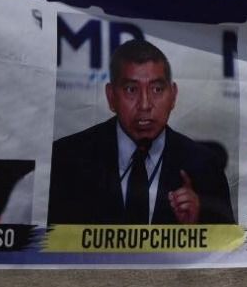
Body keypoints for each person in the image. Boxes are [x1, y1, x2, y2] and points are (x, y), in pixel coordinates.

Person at [49, 38, 235, 224]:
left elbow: (229, 251)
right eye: (131, 89)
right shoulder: (67, 160)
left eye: (157, 89)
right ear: (111, 96)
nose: (145, 105)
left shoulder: (205, 168)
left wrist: (197, 226)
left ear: (173, 96)